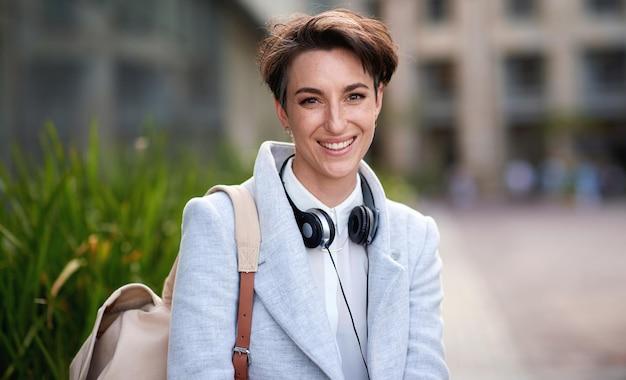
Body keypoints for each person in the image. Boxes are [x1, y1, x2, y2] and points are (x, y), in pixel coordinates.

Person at [168, 9, 448, 379]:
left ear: (377, 101)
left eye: (354, 96)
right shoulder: (219, 224)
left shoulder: (415, 236)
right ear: (283, 111)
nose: (335, 122)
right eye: (311, 100)